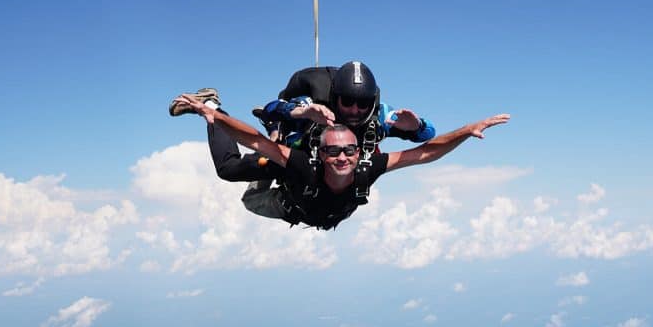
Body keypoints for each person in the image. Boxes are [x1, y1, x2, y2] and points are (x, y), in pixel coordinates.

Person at [170, 90, 508, 230]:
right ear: (322, 153)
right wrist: (212, 116)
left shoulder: (368, 167)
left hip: (304, 204)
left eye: (348, 150)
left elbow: (425, 153)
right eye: (333, 151)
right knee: (235, 175)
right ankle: (219, 105)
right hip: (285, 198)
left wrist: (466, 130)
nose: (342, 157)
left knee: (268, 152)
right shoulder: (305, 163)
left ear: (359, 153)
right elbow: (251, 140)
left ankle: (277, 132)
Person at [254, 61, 435, 149]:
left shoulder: (381, 115)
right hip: (303, 151)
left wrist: (416, 126)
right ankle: (276, 131)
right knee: (272, 149)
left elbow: (429, 133)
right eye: (347, 102)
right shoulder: (316, 108)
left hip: (340, 178)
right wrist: (300, 112)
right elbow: (271, 109)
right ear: (336, 98)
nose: (355, 110)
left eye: (363, 103)